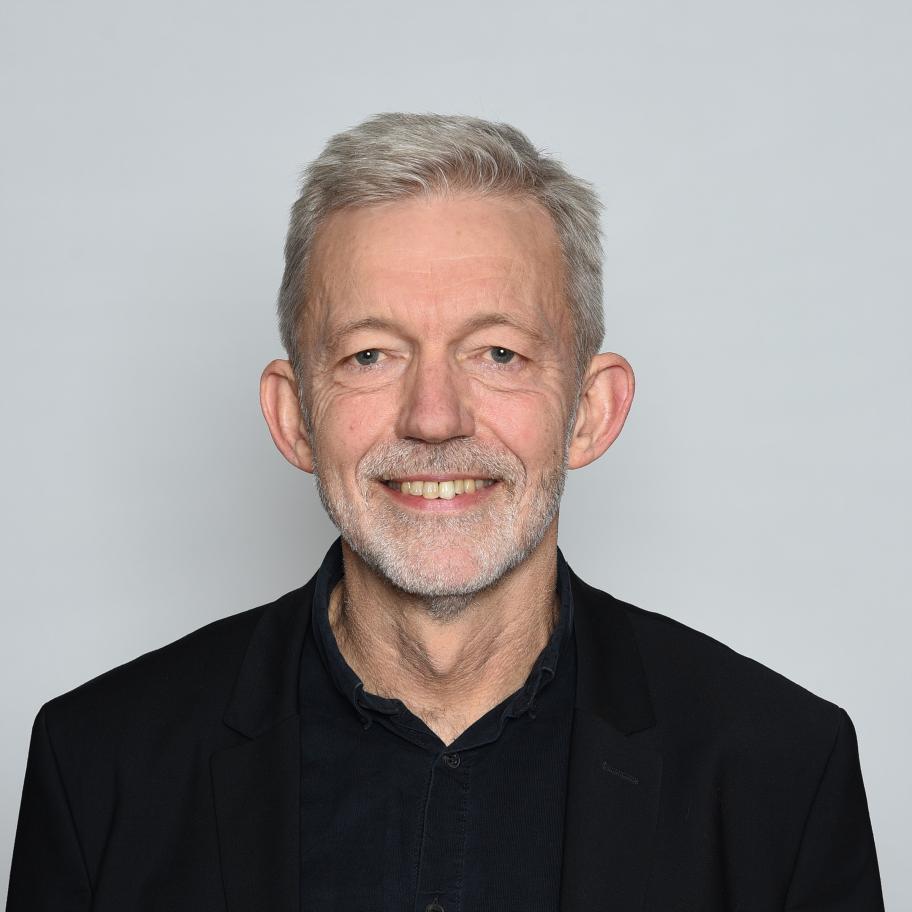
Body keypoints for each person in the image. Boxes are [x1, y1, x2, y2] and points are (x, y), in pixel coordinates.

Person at [7, 113, 883, 911]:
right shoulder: (98, 767)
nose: (434, 418)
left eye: (498, 353)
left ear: (590, 412)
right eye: (370, 355)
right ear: (295, 416)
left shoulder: (782, 773)